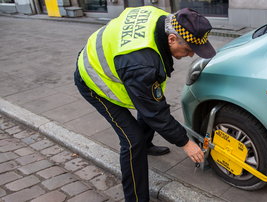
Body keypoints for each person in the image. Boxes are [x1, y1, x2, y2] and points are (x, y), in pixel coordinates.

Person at [73, 6, 216, 202]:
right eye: (189, 49)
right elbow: (155, 112)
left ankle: (146, 145)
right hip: (93, 80)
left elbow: (150, 104)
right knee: (133, 141)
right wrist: (185, 143)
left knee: (148, 104)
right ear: (172, 39)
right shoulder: (142, 64)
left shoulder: (165, 19)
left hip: (119, 62)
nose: (191, 55)